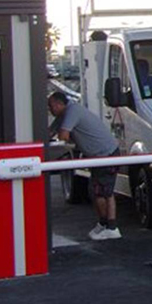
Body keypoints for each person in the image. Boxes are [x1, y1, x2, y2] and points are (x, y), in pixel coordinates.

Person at [47, 92, 122, 241]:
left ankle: (111, 227)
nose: (49, 110)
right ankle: (103, 224)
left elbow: (63, 136)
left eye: (50, 106)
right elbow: (50, 132)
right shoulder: (63, 115)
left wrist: (60, 139)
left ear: (58, 104)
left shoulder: (72, 111)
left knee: (103, 192)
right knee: (96, 191)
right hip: (97, 156)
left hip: (106, 154)